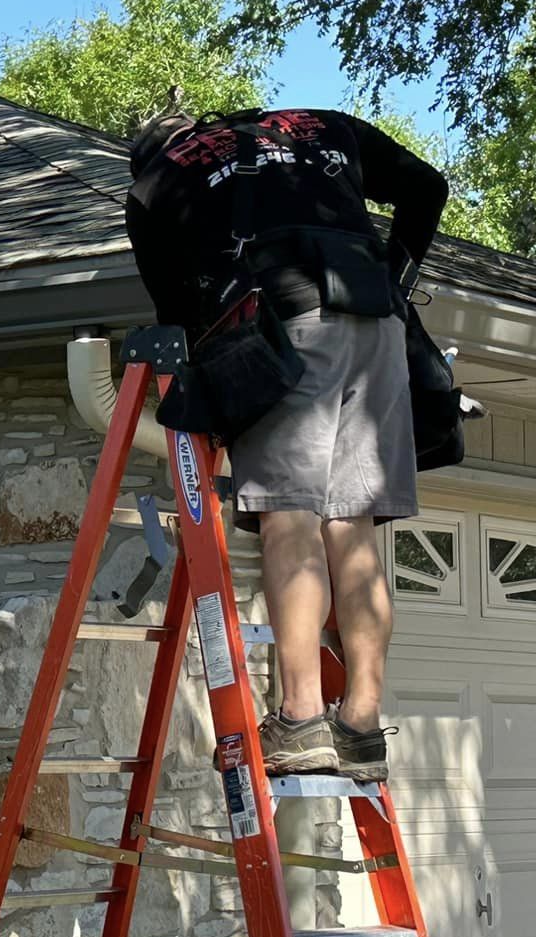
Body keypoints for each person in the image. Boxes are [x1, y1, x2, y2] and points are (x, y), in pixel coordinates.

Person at [124, 107, 449, 783]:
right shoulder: (318, 124)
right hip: (376, 323)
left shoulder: (156, 183)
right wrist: (396, 280)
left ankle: (299, 718)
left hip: (281, 325)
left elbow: (174, 314)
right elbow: (427, 186)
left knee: (290, 514)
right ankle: (359, 724)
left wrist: (205, 397)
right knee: (351, 528)